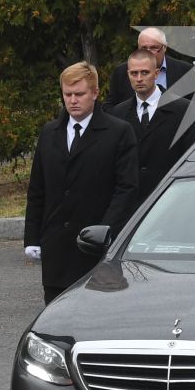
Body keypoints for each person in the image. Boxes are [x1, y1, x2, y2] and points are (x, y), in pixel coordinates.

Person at [23, 62, 140, 303]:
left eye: (79, 94)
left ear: (95, 93)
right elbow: (38, 189)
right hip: (57, 248)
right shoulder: (50, 132)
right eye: (67, 94)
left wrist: (105, 231)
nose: (73, 100)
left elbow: (126, 188)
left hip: (97, 249)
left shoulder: (118, 132)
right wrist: (32, 237)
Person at [108, 47, 195, 213]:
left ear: (156, 74)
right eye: (134, 73)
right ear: (128, 75)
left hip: (170, 202)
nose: (139, 78)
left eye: (145, 72)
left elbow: (190, 159)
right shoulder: (118, 113)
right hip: (129, 208)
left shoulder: (183, 109)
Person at [106, 27, 191, 104]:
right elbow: (110, 107)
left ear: (165, 47)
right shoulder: (121, 72)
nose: (148, 52)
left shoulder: (184, 71)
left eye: (154, 48)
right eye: (144, 48)